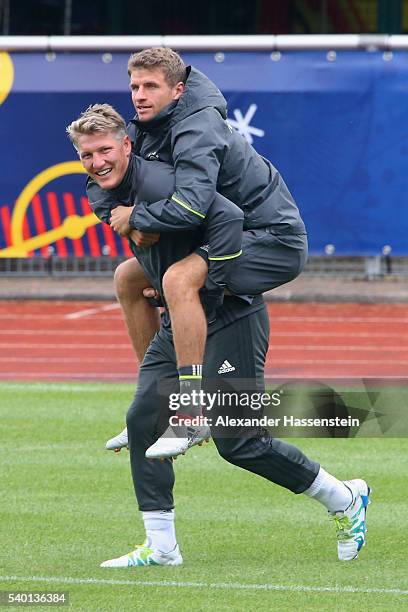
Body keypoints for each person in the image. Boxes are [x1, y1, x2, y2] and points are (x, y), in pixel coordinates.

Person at [67, 105, 371, 568]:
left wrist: (195, 273)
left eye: (105, 150)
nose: (97, 162)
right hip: (182, 317)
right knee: (143, 417)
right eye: (87, 154)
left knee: (241, 444)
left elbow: (226, 215)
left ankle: (345, 498)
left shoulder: (159, 180)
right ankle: (161, 546)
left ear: (126, 144)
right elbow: (146, 247)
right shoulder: (99, 189)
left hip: (234, 315)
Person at [90, 47, 309, 458]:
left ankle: (191, 412)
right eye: (135, 86)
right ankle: (159, 402)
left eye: (150, 86)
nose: (139, 94)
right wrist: (125, 217)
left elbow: (192, 204)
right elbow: (105, 180)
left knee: (178, 278)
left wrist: (141, 219)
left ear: (178, 90)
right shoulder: (148, 125)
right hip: (225, 235)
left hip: (272, 238)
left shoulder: (197, 126)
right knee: (128, 278)